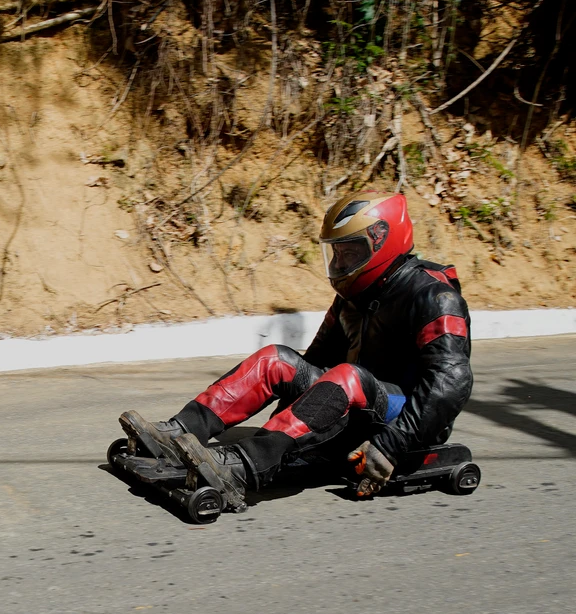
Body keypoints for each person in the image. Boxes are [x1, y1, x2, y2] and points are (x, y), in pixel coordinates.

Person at [119, 190, 473, 512]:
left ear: (383, 243)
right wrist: (295, 417)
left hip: (404, 422)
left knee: (349, 377)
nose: (339, 263)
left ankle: (243, 465)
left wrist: (392, 445)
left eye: (351, 252)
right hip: (353, 402)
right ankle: (179, 432)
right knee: (276, 360)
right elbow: (314, 363)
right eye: (337, 252)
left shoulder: (435, 297)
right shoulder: (351, 298)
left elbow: (451, 383)